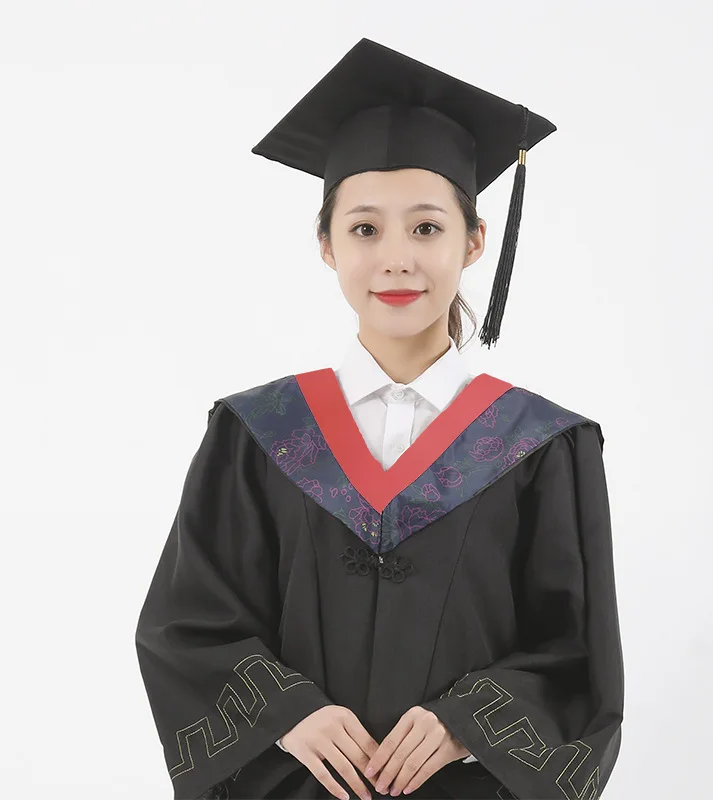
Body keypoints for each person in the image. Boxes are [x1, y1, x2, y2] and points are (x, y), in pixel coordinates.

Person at [135, 38, 625, 800]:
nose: (396, 259)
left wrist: (470, 720)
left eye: (427, 228)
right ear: (327, 246)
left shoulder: (540, 447)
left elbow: (576, 657)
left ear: (474, 242)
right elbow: (187, 626)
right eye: (364, 229)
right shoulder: (255, 434)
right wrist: (286, 711)